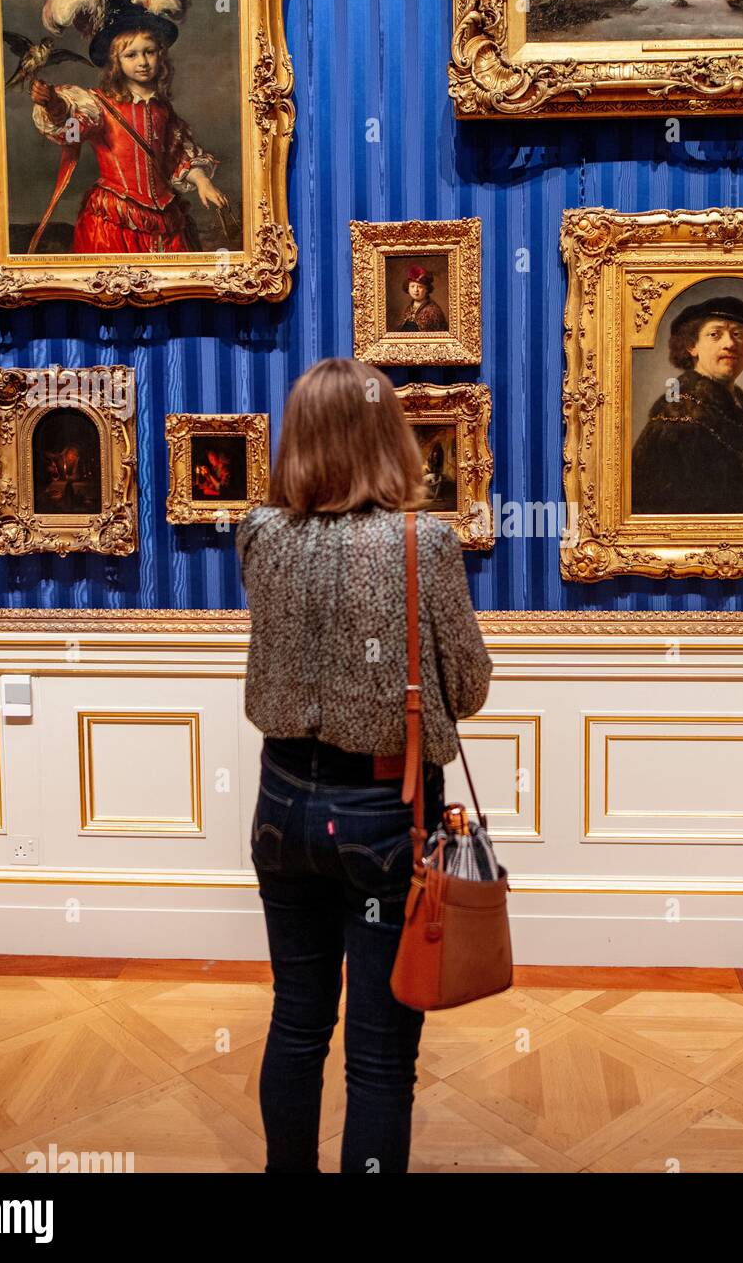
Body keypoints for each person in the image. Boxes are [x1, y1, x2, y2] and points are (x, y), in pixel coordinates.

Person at [235, 357, 492, 1173]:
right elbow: (472, 685)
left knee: (297, 1020)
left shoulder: (258, 533)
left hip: (280, 809)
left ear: (299, 438)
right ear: (388, 436)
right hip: (382, 814)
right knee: (380, 1055)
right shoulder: (423, 541)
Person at [28, 0, 228, 254]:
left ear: (161, 55)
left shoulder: (162, 110)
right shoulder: (98, 105)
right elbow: (73, 128)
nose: (143, 62)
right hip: (113, 223)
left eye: (149, 52)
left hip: (166, 223)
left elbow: (177, 156)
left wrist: (203, 182)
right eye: (131, 55)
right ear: (116, 62)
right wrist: (53, 104)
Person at [631, 295, 743, 515]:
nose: (729, 343)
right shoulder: (675, 417)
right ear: (692, 346)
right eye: (715, 334)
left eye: (737, 334)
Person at [395, 265, 447, 331]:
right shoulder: (408, 309)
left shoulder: (434, 311)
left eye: (420, 286)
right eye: (412, 286)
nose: (415, 290)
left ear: (427, 289)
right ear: (408, 288)